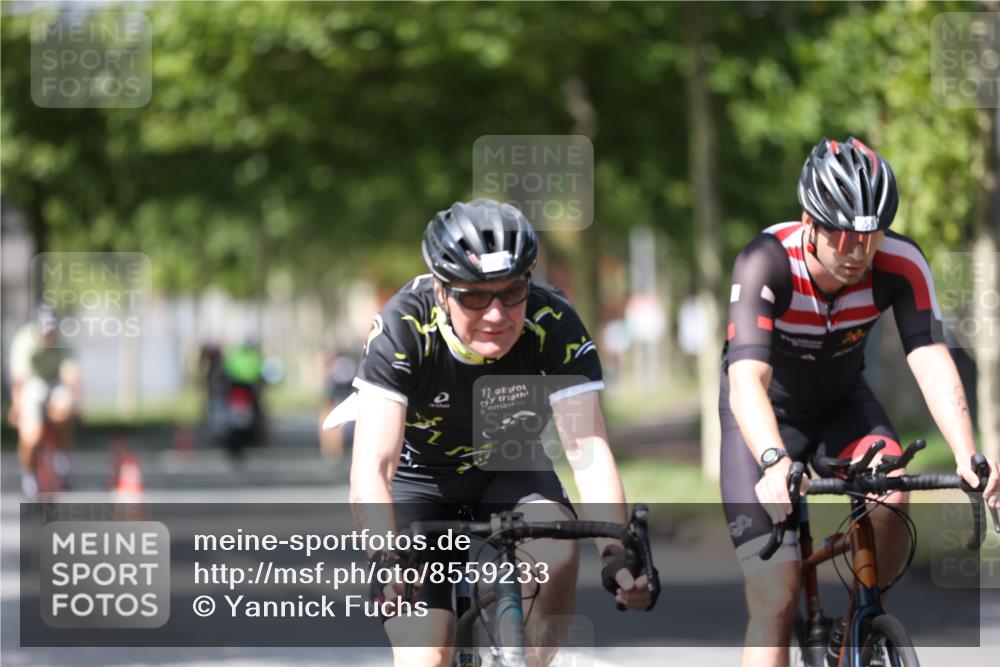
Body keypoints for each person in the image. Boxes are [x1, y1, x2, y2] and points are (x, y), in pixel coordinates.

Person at [719, 136, 1000, 667]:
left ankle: (861, 630)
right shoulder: (766, 260)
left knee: (893, 493)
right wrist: (774, 462)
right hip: (764, 420)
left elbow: (930, 357)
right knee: (775, 601)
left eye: (870, 236)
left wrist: (968, 454)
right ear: (809, 220)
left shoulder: (900, 262)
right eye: (841, 234)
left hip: (842, 406)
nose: (857, 251)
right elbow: (746, 379)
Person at [346, 198, 652, 667]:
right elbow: (374, 466)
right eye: (473, 296)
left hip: (512, 467)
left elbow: (587, 450)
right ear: (441, 289)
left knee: (558, 558)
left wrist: (616, 551)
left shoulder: (553, 322)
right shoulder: (402, 326)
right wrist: (387, 557)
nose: (496, 314)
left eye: (512, 292)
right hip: (420, 480)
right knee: (427, 653)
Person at [8, 305, 81, 498]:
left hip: (55, 381)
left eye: (52, 332)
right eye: (45, 332)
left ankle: (62, 460)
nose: (49, 336)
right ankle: (28, 475)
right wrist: (16, 408)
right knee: (31, 436)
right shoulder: (24, 341)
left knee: (64, 409)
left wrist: (76, 404)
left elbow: (71, 376)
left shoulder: (63, 343)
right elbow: (20, 380)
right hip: (32, 383)